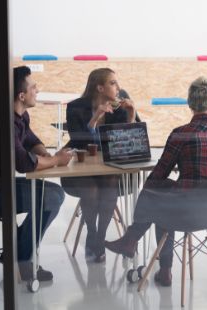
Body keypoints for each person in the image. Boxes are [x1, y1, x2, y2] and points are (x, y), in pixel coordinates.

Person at [105, 77, 207, 286]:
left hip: (184, 211)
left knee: (158, 195)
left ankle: (159, 264)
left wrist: (146, 192)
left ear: (189, 104)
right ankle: (132, 241)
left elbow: (159, 174)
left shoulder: (181, 134)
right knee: (163, 197)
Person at [0, 66, 73, 281]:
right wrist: (56, 160)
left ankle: (18, 255)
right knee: (52, 196)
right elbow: (24, 164)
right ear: (21, 95)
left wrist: (47, 154)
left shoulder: (19, 116)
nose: (37, 90)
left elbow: (31, 141)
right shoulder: (4, 122)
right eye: (34, 87)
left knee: (54, 195)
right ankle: (22, 259)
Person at [61, 68, 140, 262]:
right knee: (91, 189)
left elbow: (128, 142)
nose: (118, 88)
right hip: (83, 169)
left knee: (110, 181)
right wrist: (95, 117)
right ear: (100, 87)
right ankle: (92, 232)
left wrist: (131, 116)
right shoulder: (75, 108)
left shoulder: (121, 108)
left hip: (110, 169)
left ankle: (100, 237)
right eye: (113, 83)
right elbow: (79, 142)